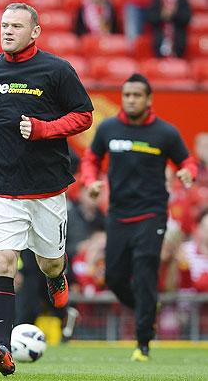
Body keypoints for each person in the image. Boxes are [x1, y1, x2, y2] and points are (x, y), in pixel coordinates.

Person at [0, 3, 94, 376]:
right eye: (4, 25)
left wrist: (43, 129)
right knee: (3, 263)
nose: (7, 31)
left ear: (35, 32)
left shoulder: (56, 70)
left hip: (46, 188)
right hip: (0, 187)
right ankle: (2, 348)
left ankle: (57, 275)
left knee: (49, 261)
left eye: (16, 26)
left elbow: (84, 114)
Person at [80, 73, 197, 361]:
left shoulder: (165, 133)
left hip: (151, 215)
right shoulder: (108, 128)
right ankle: (147, 308)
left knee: (145, 275)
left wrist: (188, 173)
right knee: (115, 277)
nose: (130, 100)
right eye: (127, 95)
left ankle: (143, 343)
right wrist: (90, 181)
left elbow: (188, 161)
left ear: (148, 99)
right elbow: (91, 159)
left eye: (136, 95)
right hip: (118, 215)